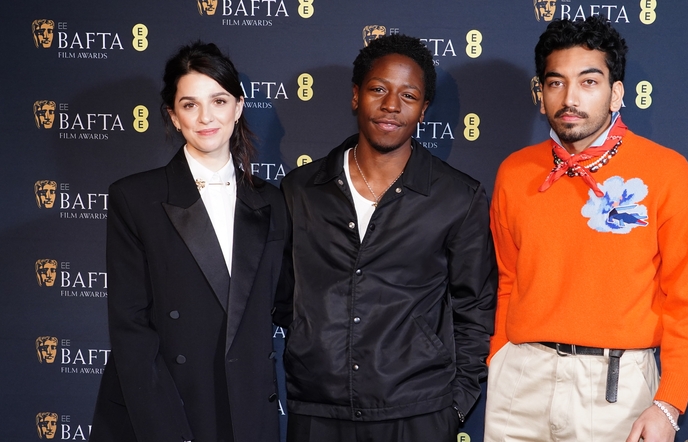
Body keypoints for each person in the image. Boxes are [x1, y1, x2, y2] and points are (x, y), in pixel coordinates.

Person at [484, 17, 688, 442]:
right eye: (556, 83)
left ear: (616, 93)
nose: (570, 98)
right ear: (541, 95)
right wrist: (499, 359)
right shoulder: (514, 172)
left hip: (617, 390)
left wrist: (669, 403)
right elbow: (506, 280)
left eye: (588, 82)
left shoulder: (667, 171)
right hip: (520, 383)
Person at [280, 34, 497, 442]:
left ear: (423, 109)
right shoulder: (300, 190)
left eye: (408, 95)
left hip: (419, 411)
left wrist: (455, 404)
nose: (391, 105)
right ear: (356, 96)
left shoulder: (457, 197)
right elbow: (281, 297)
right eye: (378, 89)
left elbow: (475, 308)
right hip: (317, 408)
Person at [89, 41, 291, 442]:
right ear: (173, 115)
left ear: (238, 107)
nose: (206, 117)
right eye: (189, 104)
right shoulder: (135, 198)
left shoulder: (273, 202)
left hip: (248, 409)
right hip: (167, 407)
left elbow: (290, 306)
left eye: (218, 101)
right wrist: (164, 424)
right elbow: (130, 326)